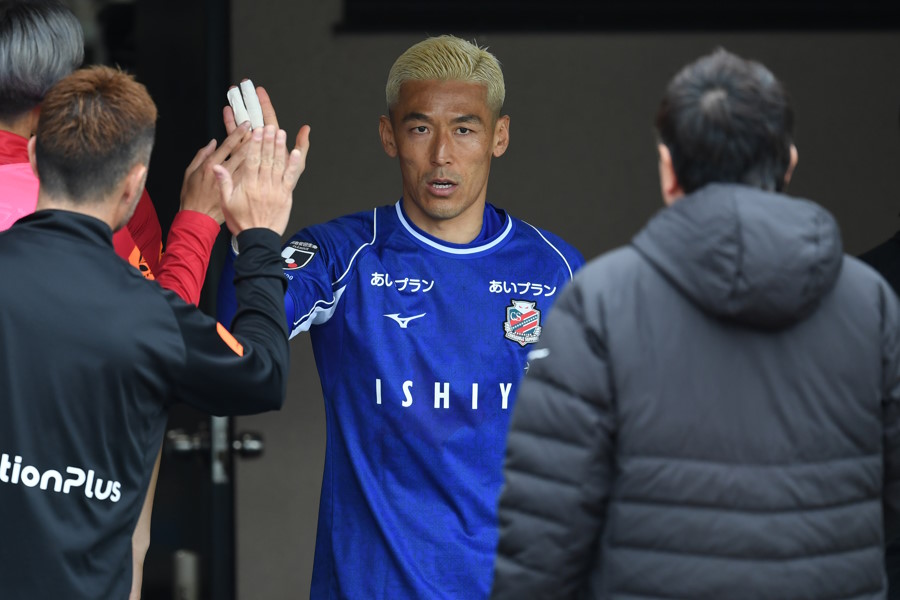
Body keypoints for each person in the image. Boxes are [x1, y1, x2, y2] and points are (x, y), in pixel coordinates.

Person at [491, 49, 900, 599]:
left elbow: (545, 527)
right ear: (788, 164)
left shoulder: (602, 303)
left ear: (668, 171)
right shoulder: (868, 303)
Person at [218, 35, 584, 598]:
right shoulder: (342, 254)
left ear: (499, 136)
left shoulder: (555, 269)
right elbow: (230, 359)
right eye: (420, 128)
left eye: (464, 129)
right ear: (389, 136)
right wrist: (252, 235)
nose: (442, 154)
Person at [0, 64, 308, 599]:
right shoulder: (152, 317)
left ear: (30, 155)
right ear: (134, 184)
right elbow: (264, 374)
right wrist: (258, 236)